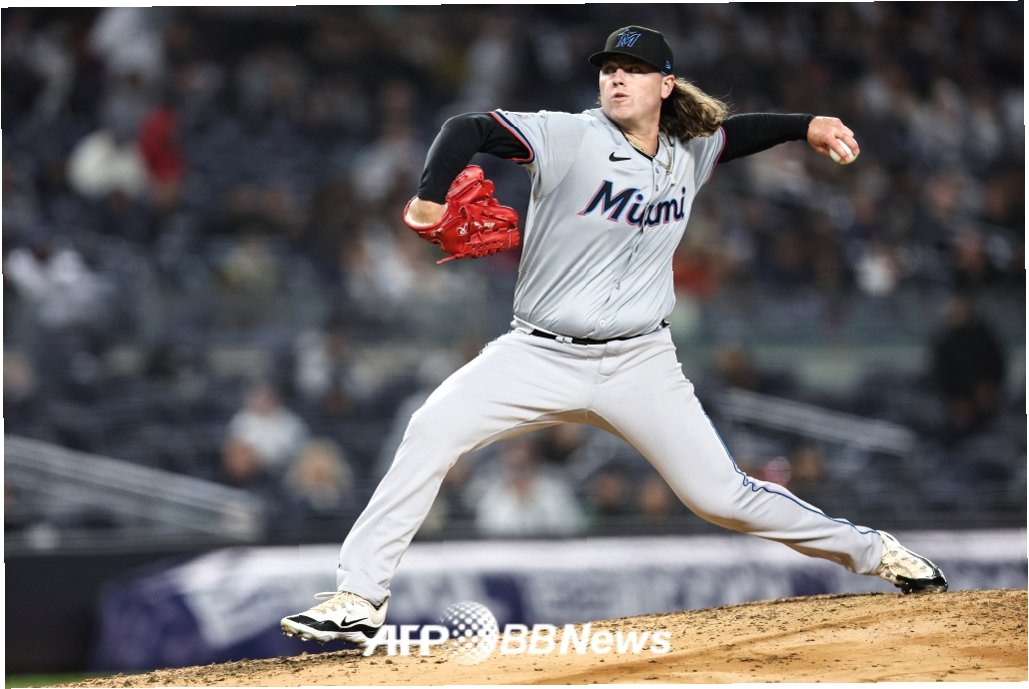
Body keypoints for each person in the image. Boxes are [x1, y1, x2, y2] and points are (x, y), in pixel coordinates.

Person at [281, 24, 947, 647]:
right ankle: (359, 597)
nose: (616, 79)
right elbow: (468, 127)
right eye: (608, 69)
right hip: (538, 352)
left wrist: (807, 126)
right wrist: (429, 197)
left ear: (665, 84)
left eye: (633, 69)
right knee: (431, 428)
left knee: (722, 497)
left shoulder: (689, 151)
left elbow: (735, 134)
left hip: (640, 361)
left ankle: (875, 552)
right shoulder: (569, 135)